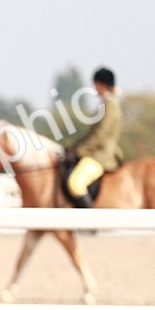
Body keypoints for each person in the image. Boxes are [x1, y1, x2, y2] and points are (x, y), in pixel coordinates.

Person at [66, 67, 122, 208]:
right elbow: (92, 135)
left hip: (101, 155)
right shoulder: (105, 104)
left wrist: (78, 152)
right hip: (95, 152)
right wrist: (74, 147)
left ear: (102, 85)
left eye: (95, 84)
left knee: (75, 183)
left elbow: (100, 136)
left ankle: (90, 222)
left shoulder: (110, 105)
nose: (94, 87)